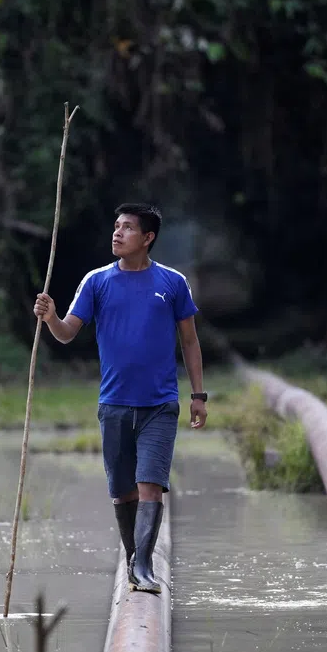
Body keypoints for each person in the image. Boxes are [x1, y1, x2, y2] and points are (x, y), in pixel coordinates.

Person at [33, 202, 208, 594]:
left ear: (147, 238)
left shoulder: (173, 283)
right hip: (113, 405)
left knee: (150, 484)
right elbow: (66, 333)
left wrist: (198, 395)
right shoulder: (96, 282)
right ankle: (134, 558)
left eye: (127, 228)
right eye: (116, 226)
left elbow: (190, 341)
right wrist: (50, 316)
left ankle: (143, 566)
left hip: (160, 405)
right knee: (123, 491)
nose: (117, 233)